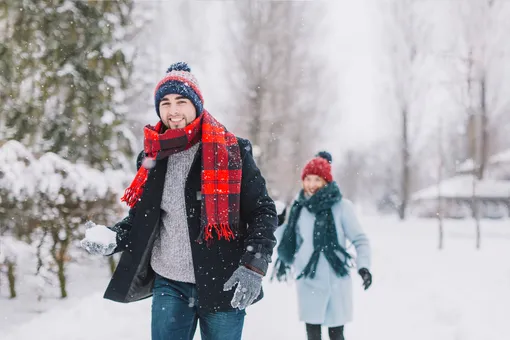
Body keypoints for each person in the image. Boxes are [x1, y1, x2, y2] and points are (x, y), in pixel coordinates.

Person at [80, 62, 278, 340]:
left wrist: (253, 266)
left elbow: (263, 211)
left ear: (197, 104)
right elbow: (142, 218)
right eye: (165, 103)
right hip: (170, 282)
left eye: (181, 101)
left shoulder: (232, 150)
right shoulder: (151, 156)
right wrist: (113, 237)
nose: (173, 111)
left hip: (223, 280)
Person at [273, 151, 372, 340]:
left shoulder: (342, 207)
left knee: (336, 334)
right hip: (308, 279)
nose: (311, 185)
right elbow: (287, 239)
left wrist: (364, 267)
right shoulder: (298, 207)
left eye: (317, 180)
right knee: (312, 334)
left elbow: (360, 240)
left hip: (336, 280)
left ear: (326, 181)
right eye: (308, 179)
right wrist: (277, 223)